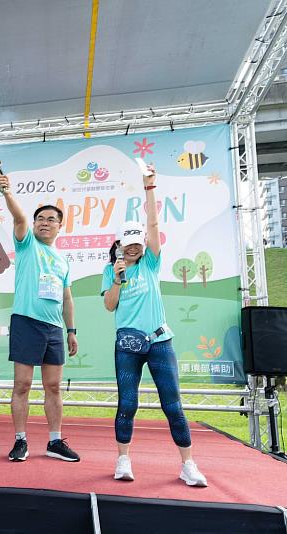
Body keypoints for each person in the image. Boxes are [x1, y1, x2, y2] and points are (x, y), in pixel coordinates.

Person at [101, 163, 208, 487]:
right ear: (120, 245)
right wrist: (117, 279)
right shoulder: (111, 271)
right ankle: (123, 460)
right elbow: (109, 305)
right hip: (127, 346)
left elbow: (153, 222)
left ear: (144, 243)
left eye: (138, 242)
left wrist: (149, 187)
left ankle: (188, 465)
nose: (134, 247)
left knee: (172, 404)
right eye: (128, 243)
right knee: (127, 403)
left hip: (160, 342)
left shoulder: (151, 262)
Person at [0, 173, 80, 463]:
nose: (44, 222)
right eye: (40, 218)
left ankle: (55, 441)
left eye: (51, 219)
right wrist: (7, 193)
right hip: (26, 322)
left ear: (60, 225)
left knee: (53, 387)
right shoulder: (27, 244)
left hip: (54, 328)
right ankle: (20, 440)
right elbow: (18, 218)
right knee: (23, 385)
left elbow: (67, 297)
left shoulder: (63, 260)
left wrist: (71, 330)